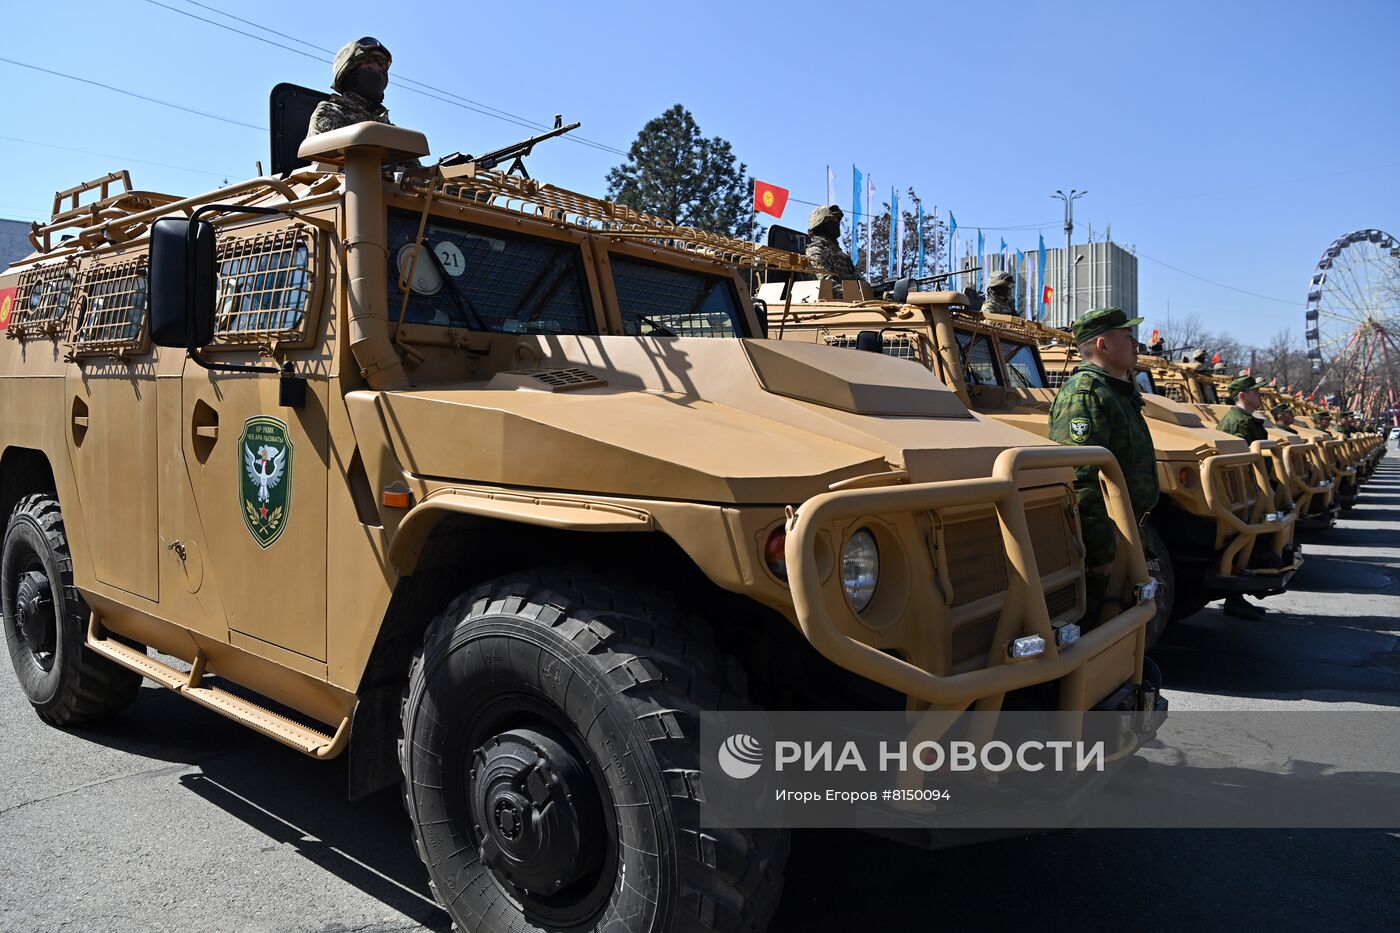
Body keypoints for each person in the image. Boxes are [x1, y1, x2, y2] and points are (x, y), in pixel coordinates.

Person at [1049, 308, 1159, 626]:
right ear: (1104, 345)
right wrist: (1100, 551)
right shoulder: (1086, 394)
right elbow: (1081, 477)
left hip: (1125, 532)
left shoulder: (1116, 392)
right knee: (1099, 627)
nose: (1136, 343)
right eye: (1127, 336)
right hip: (1107, 539)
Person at [804, 205, 865, 298]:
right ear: (821, 223)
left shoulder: (842, 256)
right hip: (831, 308)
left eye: (837, 220)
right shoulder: (815, 252)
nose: (837, 223)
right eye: (833, 220)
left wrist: (871, 291)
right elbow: (827, 285)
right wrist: (857, 295)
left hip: (853, 304)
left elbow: (859, 282)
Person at [1217, 374, 1270, 444]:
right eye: (1256, 391)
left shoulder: (1247, 419)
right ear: (1242, 396)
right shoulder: (1237, 423)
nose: (1261, 395)